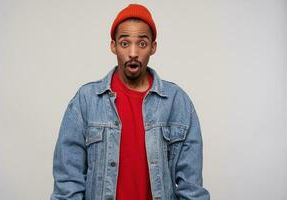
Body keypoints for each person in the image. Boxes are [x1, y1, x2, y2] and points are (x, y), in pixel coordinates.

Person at [51, 4, 210, 200]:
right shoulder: (86, 101)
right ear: (113, 46)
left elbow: (191, 187)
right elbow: (68, 183)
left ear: (153, 47)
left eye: (142, 44)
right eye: (125, 43)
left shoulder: (177, 101)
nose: (133, 53)